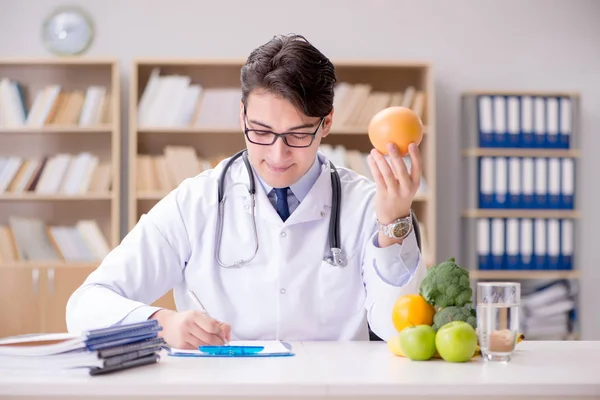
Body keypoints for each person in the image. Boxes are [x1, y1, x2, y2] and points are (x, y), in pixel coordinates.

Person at [66, 34, 427, 349]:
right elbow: (84, 306)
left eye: (298, 134)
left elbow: (399, 331)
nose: (277, 154)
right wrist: (162, 322)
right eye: (261, 131)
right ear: (242, 117)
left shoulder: (367, 205)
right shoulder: (195, 203)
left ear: (326, 123)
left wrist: (393, 223)